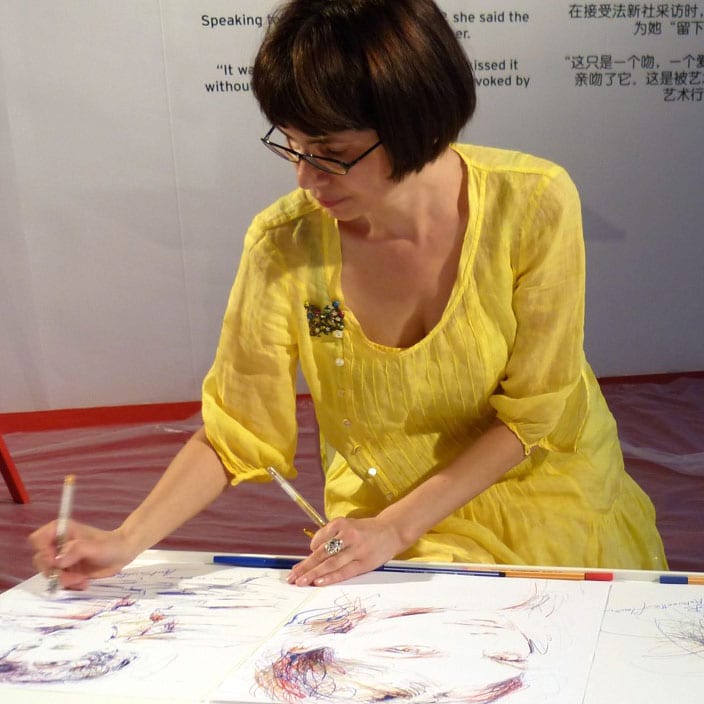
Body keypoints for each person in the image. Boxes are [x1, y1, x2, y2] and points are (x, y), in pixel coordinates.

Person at [29, 0, 667, 590]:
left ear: (415, 124)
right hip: (382, 521)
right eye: (292, 147)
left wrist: (395, 528)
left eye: (330, 153)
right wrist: (125, 540)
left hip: (545, 496)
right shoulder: (286, 244)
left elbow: (536, 412)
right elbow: (237, 429)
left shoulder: (531, 202)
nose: (306, 179)